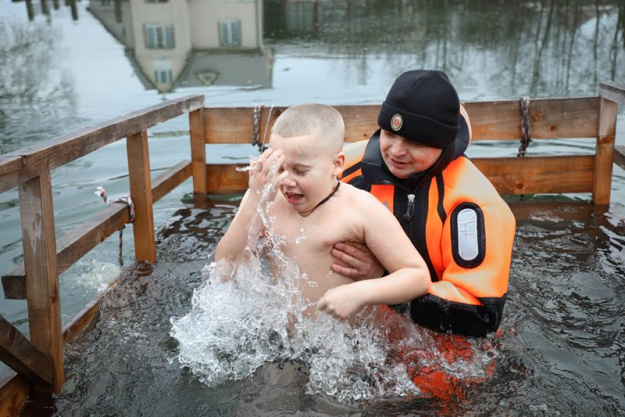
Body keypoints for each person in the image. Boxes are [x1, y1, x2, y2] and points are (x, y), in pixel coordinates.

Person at [332, 70, 516, 337]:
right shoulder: (345, 168)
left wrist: (382, 281)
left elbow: (481, 315)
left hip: (441, 346)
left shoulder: (475, 206)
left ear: (443, 143)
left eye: (414, 142)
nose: (395, 151)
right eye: (389, 134)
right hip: (362, 319)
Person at [214, 103, 431, 322]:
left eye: (300, 171)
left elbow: (417, 276)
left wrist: (358, 293)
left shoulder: (361, 209)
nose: (287, 181)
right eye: (279, 168)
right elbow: (224, 268)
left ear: (336, 165)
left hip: (346, 347)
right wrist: (254, 198)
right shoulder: (263, 200)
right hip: (283, 341)